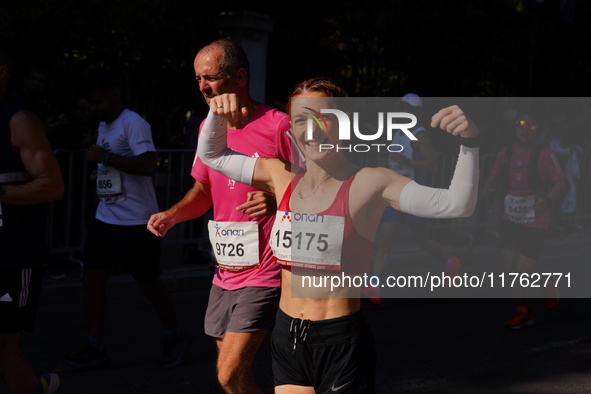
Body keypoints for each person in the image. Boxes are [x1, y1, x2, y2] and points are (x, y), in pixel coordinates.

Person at [198, 77, 481, 393]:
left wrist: (470, 143)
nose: (312, 130)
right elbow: (213, 155)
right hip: (288, 337)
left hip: (340, 342)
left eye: (324, 118)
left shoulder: (370, 183)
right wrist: (216, 114)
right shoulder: (280, 175)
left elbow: (456, 204)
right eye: (302, 119)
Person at [147, 39, 297, 393]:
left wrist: (278, 199)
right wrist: (172, 214)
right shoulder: (207, 129)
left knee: (228, 372)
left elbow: (316, 186)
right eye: (197, 79)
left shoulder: (278, 125)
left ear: (239, 76)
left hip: (267, 269)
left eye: (210, 77)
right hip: (225, 271)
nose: (202, 86)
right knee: (236, 377)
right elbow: (203, 193)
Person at [64, 71, 191, 370]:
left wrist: (105, 160)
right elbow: (109, 161)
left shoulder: (133, 122)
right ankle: (96, 346)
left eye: (98, 101)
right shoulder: (103, 125)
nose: (94, 107)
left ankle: (175, 336)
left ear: (115, 95)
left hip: (136, 222)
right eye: (90, 103)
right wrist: (102, 172)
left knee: (149, 284)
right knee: (92, 281)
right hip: (106, 218)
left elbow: (149, 165)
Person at [0, 48, 64, 394]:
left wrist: (3, 194)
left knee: (4, 350)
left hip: (11, 255)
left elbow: (53, 185)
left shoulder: (18, 119)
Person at [368, 93, 459, 303]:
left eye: (408, 109)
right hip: (393, 195)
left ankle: (449, 261)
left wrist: (408, 161)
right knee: (385, 240)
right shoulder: (397, 132)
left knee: (422, 240)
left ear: (416, 113)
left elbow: (433, 164)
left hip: (414, 195)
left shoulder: (420, 134)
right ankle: (375, 286)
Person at [482, 113, 566, 329]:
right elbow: (494, 175)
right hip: (510, 216)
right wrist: (487, 188)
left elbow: (561, 183)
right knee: (510, 267)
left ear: (536, 130)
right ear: (514, 128)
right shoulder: (505, 154)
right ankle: (523, 312)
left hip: (536, 219)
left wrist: (547, 199)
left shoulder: (545, 154)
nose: (524, 129)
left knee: (522, 270)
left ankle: (546, 282)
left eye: (530, 126)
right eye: (521, 125)